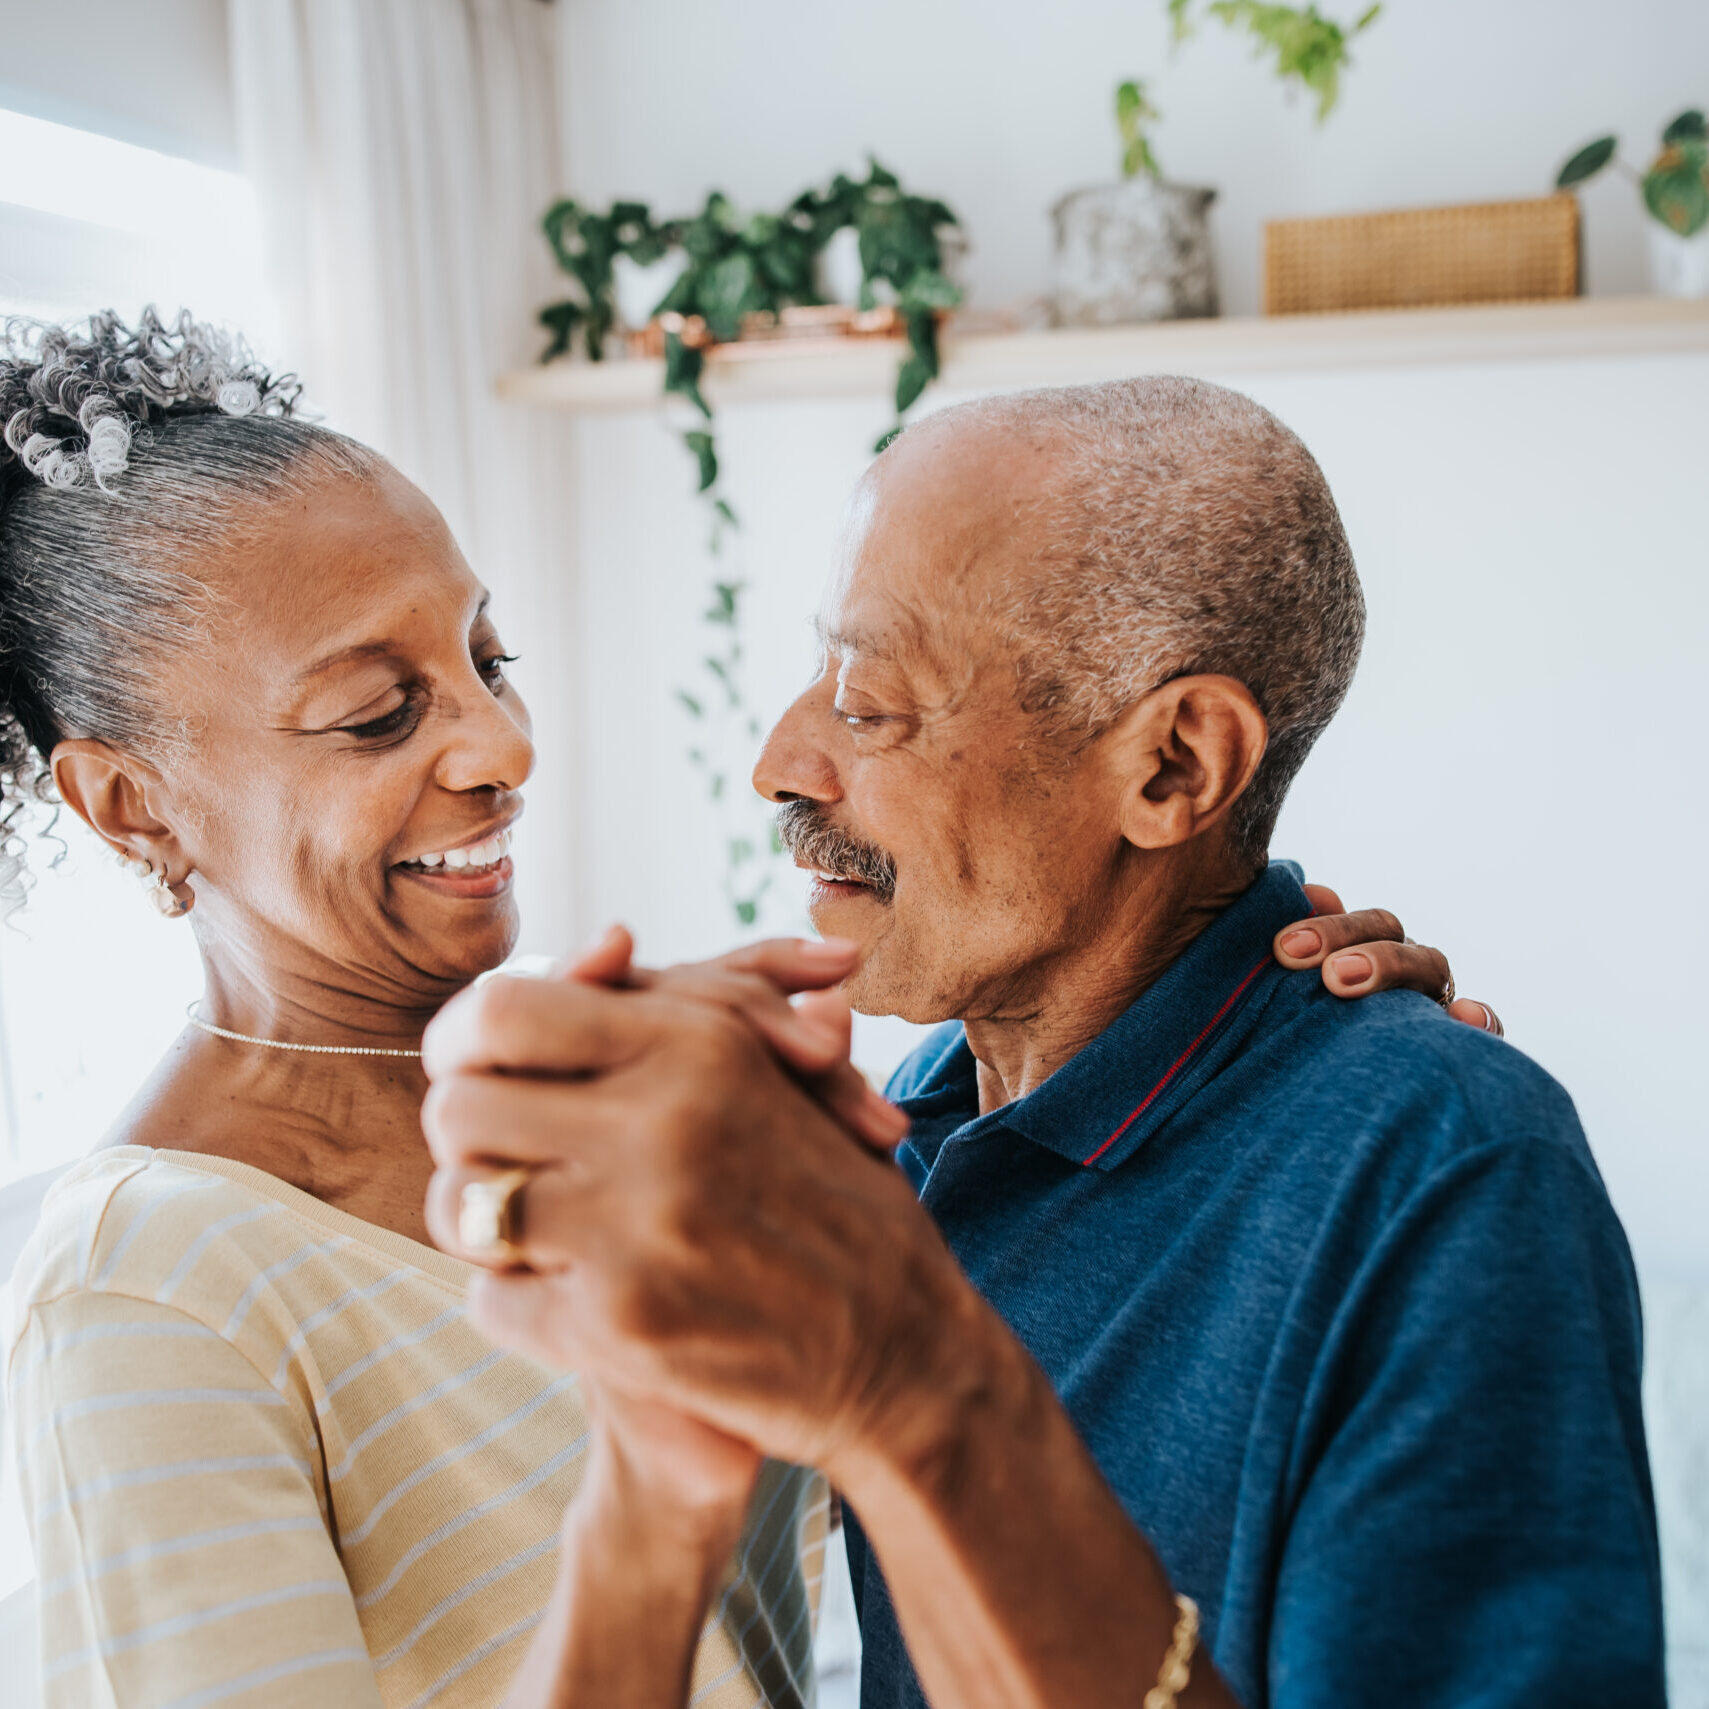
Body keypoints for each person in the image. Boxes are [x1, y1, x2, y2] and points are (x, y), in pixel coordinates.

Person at [0, 315, 1450, 1708]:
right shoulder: (145, 1291)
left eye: (486, 660)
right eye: (381, 712)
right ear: (129, 800)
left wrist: (1307, 1080)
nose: (502, 744)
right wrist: (653, 1507)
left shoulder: (647, 1116)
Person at [420, 379, 1666, 1709]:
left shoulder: (1446, 1168)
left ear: (1174, 766)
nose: (779, 761)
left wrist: (928, 1396)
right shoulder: (915, 1124)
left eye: (869, 698)